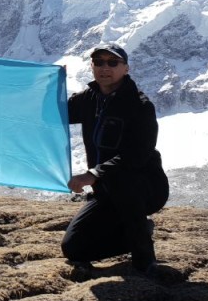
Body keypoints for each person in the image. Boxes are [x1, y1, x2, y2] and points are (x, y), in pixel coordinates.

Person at [61, 44, 169, 274]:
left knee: (125, 184)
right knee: (73, 248)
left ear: (126, 68)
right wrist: (45, 83)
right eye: (98, 62)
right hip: (104, 189)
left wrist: (93, 174)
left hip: (144, 187)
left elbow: (138, 155)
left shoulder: (140, 106)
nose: (104, 68)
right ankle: (136, 232)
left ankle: (144, 259)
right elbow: (54, 113)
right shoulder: (88, 99)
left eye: (112, 62)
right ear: (92, 66)